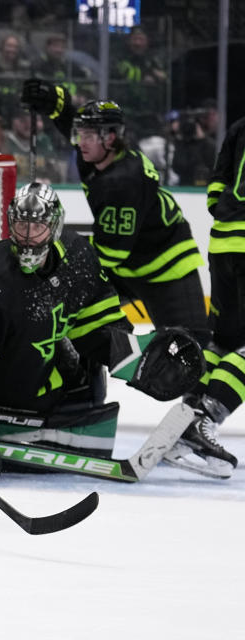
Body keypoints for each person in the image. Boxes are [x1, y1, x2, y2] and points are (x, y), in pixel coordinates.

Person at [0, 183, 205, 480]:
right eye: (21, 226)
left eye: (38, 227)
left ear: (55, 225)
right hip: (0, 396)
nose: (29, 237)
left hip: (43, 382)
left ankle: (46, 428)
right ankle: (13, 430)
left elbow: (97, 326)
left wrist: (139, 360)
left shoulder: (77, 258)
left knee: (88, 374)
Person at [22, 82, 209, 339]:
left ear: (110, 138)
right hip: (125, 262)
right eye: (80, 133)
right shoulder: (101, 155)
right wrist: (57, 102)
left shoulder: (123, 182)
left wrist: (59, 256)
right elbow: (74, 125)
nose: (80, 141)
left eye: (87, 135)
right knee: (68, 319)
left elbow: (110, 254)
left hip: (165, 263)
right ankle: (84, 372)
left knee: (191, 345)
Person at [161, 115, 245, 478]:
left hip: (225, 241)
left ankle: (186, 417)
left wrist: (222, 209)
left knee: (225, 341)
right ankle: (205, 420)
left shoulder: (241, 126)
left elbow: (218, 177)